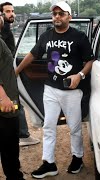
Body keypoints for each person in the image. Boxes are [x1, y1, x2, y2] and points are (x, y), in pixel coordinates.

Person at [15, 1, 94, 178]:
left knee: (74, 128)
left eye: (61, 13)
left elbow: (90, 60)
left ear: (69, 17)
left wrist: (79, 75)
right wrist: (16, 71)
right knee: (48, 126)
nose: (57, 17)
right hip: (50, 89)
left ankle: (77, 158)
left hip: (72, 91)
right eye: (54, 14)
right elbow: (33, 54)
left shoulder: (79, 36)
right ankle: (49, 163)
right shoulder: (46, 36)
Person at [0, 1, 40, 147]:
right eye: (8, 11)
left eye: (13, 10)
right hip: (5, 77)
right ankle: (22, 134)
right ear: (1, 14)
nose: (12, 14)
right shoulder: (3, 30)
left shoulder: (7, 29)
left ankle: (21, 133)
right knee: (16, 104)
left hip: (8, 73)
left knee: (16, 104)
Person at [0, 13, 25, 180]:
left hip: (7, 102)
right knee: (8, 144)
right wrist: (2, 96)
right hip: (4, 105)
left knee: (9, 144)